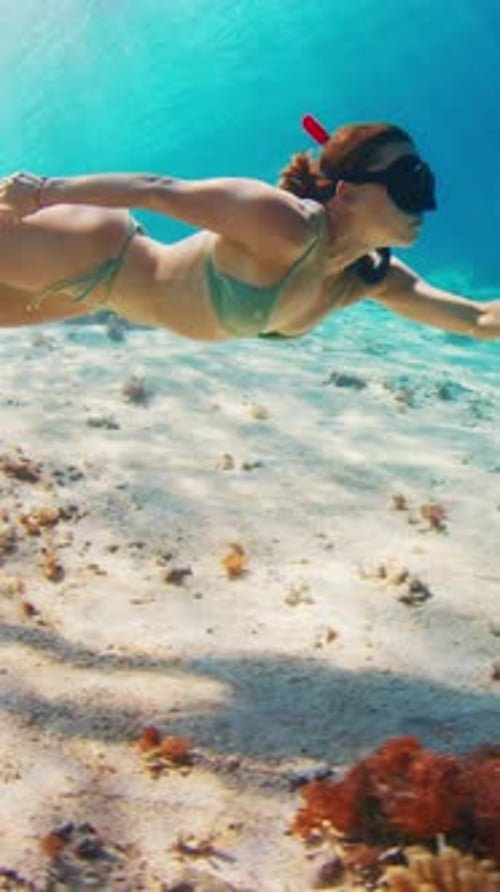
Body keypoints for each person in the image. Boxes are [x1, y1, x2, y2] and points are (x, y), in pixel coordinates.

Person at [0, 116, 498, 341]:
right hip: (86, 250)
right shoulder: (284, 224)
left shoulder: (365, 279)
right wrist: (43, 189)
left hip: (91, 296)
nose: (424, 200)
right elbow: (158, 189)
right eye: (409, 181)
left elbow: (477, 320)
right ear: (348, 193)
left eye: (425, 181)